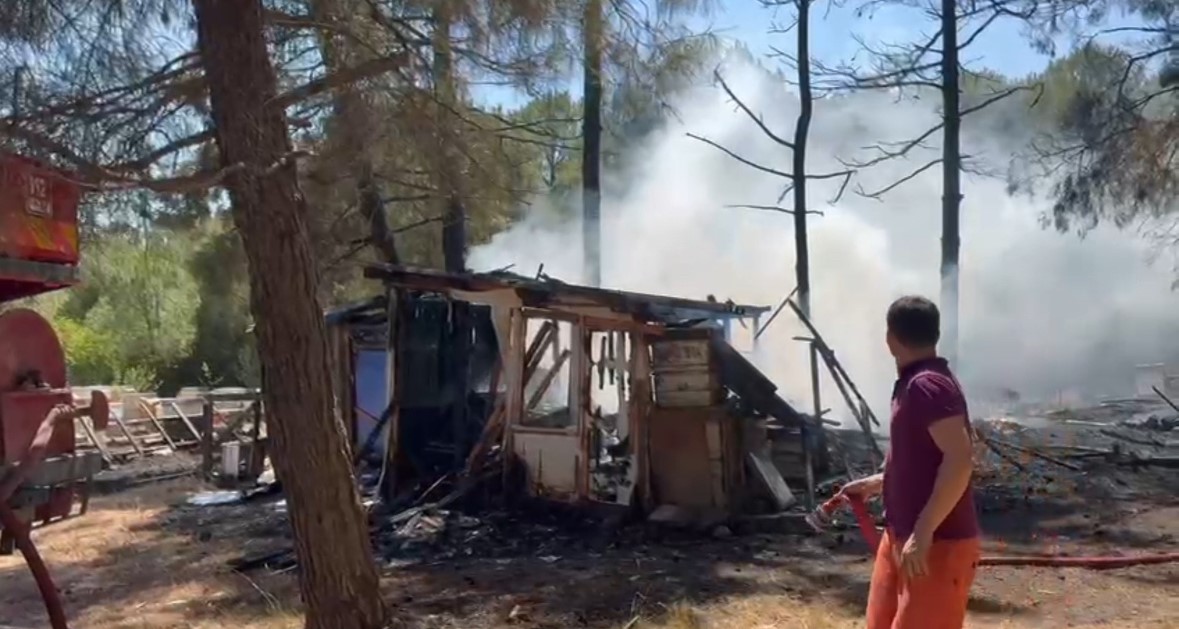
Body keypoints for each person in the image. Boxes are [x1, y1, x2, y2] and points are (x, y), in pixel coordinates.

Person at [839, 295, 979, 629]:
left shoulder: (927, 386)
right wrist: (876, 483)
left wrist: (924, 530)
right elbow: (920, 456)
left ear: (890, 339)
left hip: (937, 544)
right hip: (904, 537)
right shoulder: (913, 384)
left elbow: (960, 460)